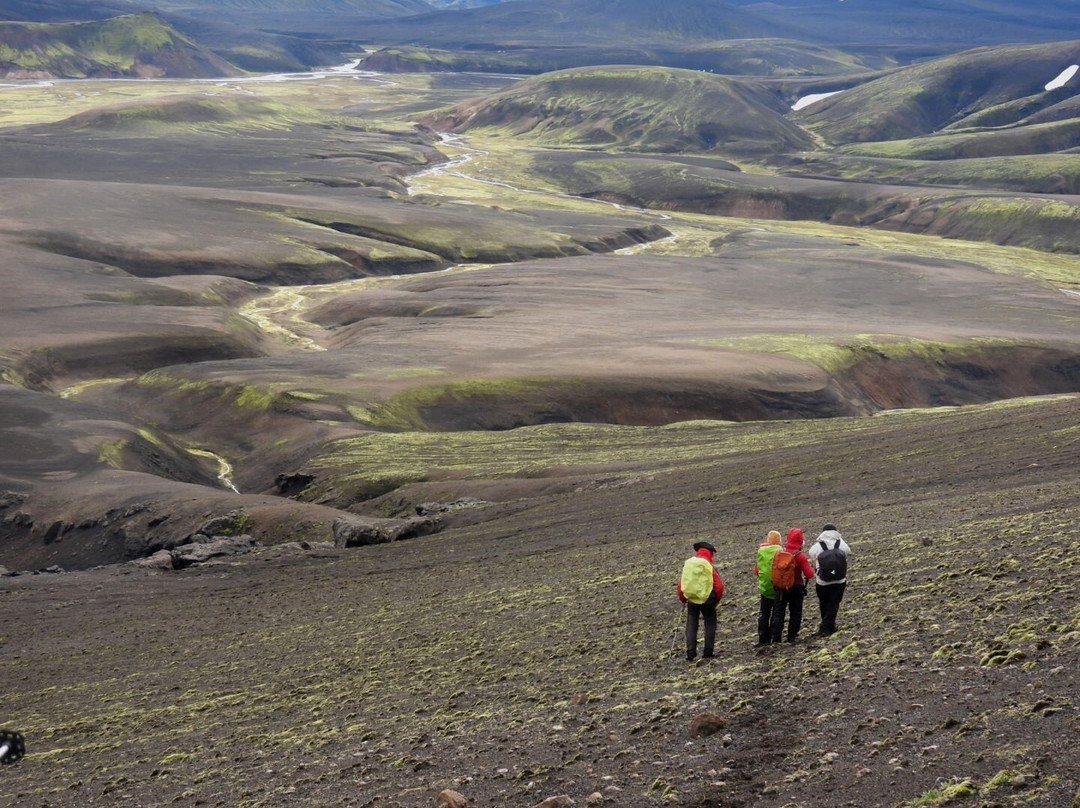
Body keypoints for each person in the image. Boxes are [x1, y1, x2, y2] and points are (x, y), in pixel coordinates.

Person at [677, 541, 725, 661]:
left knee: (692, 624)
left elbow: (681, 583)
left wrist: (683, 598)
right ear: (710, 554)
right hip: (708, 600)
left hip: (692, 600)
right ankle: (708, 652)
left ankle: (690, 652)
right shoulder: (710, 566)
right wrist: (716, 600)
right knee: (710, 624)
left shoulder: (690, 565)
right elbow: (719, 586)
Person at [770, 528, 815, 644]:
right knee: (795, 612)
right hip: (796, 588)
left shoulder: (779, 553)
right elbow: (809, 574)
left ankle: (776, 639)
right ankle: (791, 637)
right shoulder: (800, 556)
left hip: (780, 588)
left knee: (778, 613)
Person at [808, 523, 852, 636]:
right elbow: (848, 551)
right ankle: (829, 626)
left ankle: (826, 627)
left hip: (822, 580)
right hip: (839, 580)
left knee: (824, 603)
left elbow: (811, 553)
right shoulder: (840, 543)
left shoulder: (819, 545)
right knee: (834, 603)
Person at [753, 530, 782, 647]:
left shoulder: (761, 551)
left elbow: (756, 570)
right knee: (777, 612)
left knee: (764, 613)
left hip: (764, 587)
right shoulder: (781, 551)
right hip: (777, 586)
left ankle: (763, 638)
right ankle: (775, 638)